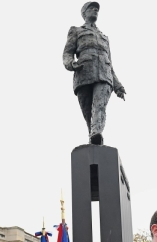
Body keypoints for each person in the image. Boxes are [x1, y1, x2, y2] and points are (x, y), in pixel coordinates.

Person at [63, 2, 126, 145]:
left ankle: (96, 133)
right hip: (83, 74)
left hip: (104, 76)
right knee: (88, 113)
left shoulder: (104, 37)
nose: (95, 10)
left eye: (97, 9)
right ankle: (92, 135)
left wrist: (118, 86)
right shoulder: (76, 30)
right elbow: (67, 53)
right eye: (91, 8)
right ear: (84, 13)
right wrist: (71, 64)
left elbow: (110, 63)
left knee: (99, 106)